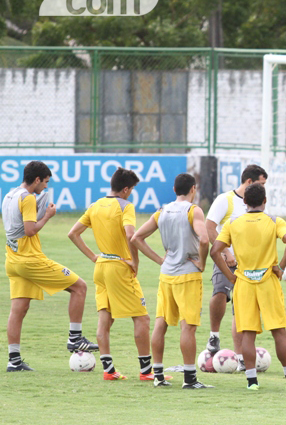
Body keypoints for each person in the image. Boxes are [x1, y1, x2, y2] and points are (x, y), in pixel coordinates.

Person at [210, 183, 286, 391]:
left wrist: (230, 275)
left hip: (244, 283)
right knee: (279, 333)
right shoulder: (274, 221)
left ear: (244, 202)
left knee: (248, 334)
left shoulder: (233, 223)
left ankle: (252, 382)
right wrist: (281, 267)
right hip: (268, 283)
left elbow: (215, 251)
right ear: (265, 201)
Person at [3, 161, 96, 371]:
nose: (45, 187)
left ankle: (14, 360)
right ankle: (75, 338)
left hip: (13, 260)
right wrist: (47, 216)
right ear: (36, 179)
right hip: (30, 259)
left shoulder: (10, 195)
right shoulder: (27, 198)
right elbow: (29, 230)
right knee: (79, 287)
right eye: (45, 182)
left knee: (18, 309)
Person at [68, 168, 152, 381]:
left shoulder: (95, 206)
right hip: (119, 267)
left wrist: (93, 256)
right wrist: (135, 261)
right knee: (142, 318)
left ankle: (109, 370)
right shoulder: (125, 206)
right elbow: (131, 234)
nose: (131, 193)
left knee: (105, 318)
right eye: (132, 189)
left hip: (101, 266)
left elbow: (73, 233)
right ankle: (146, 372)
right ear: (125, 189)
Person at [131, 173, 213, 389]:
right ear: (193, 189)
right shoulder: (193, 211)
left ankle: (157, 375)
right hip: (187, 275)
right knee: (189, 327)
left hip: (166, 275)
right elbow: (204, 239)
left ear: (175, 190)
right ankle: (189, 379)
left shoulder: (162, 211)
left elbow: (136, 238)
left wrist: (160, 259)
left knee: (161, 323)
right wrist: (202, 263)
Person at [204, 164, 268, 370]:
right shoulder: (225, 200)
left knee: (239, 310)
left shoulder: (257, 203)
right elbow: (209, 227)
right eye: (261, 183)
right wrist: (226, 252)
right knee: (220, 292)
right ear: (249, 182)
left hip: (248, 264)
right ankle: (214, 336)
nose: (264, 188)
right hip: (224, 258)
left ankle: (241, 358)